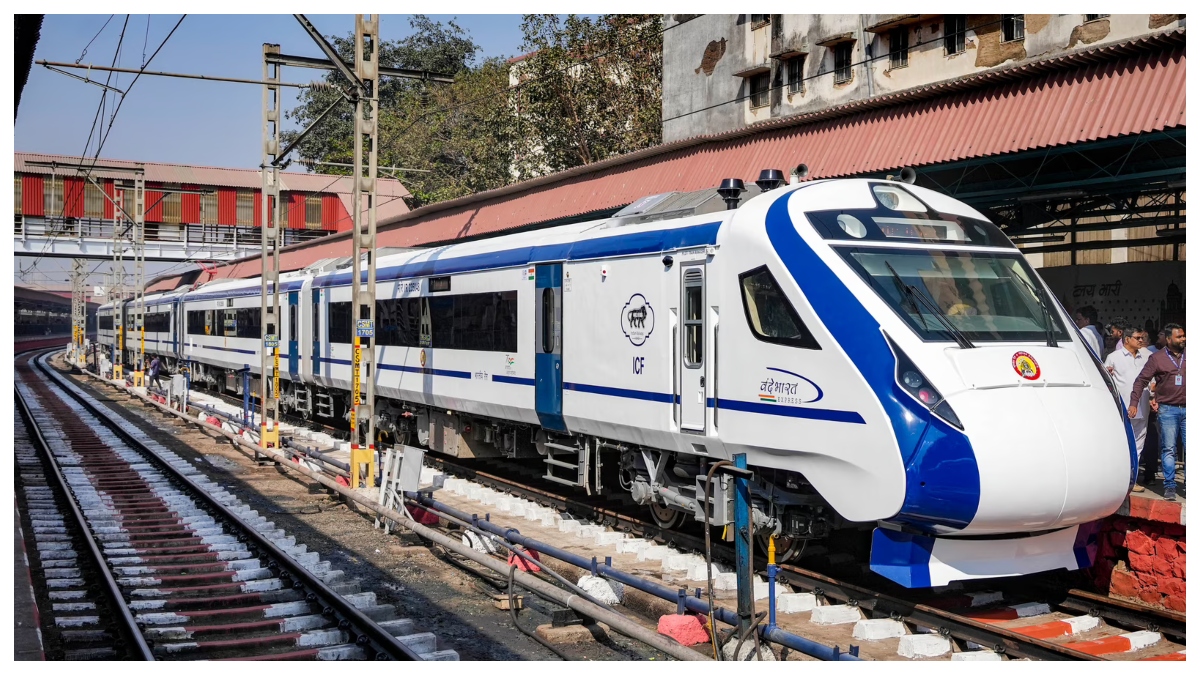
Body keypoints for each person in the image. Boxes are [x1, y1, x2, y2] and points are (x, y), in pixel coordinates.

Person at [1129, 323, 1186, 502]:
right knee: (1168, 449)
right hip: (1168, 410)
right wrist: (1134, 403)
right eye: (1179, 336)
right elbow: (1141, 381)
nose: (1183, 339)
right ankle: (1170, 486)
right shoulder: (1157, 358)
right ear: (1168, 339)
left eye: (1184, 336)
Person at [1105, 323, 1151, 492]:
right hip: (1123, 407)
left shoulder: (1147, 356)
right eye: (1137, 338)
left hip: (1143, 405)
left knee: (1139, 444)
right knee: (1123, 443)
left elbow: (1151, 383)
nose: (1141, 340)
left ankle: (1132, 480)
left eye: (1142, 338)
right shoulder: (1114, 357)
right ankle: (1119, 480)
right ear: (1127, 339)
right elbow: (1107, 382)